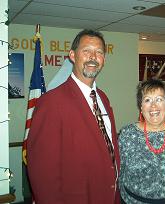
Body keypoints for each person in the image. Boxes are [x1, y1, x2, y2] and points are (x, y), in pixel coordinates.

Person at [27, 29, 120, 204]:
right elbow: (42, 174)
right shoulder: (51, 102)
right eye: (86, 51)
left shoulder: (103, 98)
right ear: (72, 55)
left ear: (104, 59)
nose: (93, 57)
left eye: (99, 52)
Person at [119, 79, 165, 203]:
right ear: (141, 107)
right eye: (147, 100)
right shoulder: (127, 134)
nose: (153, 106)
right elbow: (120, 171)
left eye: (159, 99)